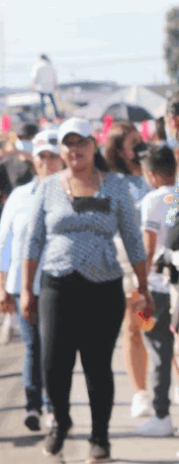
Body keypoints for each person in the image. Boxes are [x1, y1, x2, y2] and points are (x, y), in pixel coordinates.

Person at [22, 118, 150, 463]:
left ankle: (100, 437)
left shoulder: (116, 186)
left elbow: (133, 239)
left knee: (97, 365)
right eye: (69, 144)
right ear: (61, 150)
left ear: (95, 146)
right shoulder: (48, 187)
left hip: (103, 285)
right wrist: (26, 290)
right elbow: (33, 241)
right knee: (53, 364)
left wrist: (143, 284)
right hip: (57, 284)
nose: (75, 150)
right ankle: (60, 423)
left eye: (82, 143)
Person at [0, 129, 64, 432]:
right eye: (42, 157)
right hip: (23, 288)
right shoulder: (20, 196)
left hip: (60, 287)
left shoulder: (73, 193)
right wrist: (0, 286)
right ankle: (33, 405)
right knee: (33, 346)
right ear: (34, 161)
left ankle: (55, 407)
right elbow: (4, 243)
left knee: (56, 348)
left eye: (52, 156)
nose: (47, 162)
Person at [103, 122, 153, 418]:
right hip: (131, 265)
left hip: (163, 263)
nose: (141, 145)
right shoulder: (115, 183)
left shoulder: (158, 173)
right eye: (134, 142)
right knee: (135, 327)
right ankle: (140, 392)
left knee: (168, 329)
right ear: (120, 150)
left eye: (141, 139)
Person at [132, 145, 177, 436]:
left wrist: (141, 283)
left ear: (151, 174)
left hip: (159, 286)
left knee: (160, 348)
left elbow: (148, 247)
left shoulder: (152, 200)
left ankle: (162, 415)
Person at [31, 54, 60, 119]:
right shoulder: (50, 65)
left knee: (43, 103)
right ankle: (57, 115)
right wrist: (55, 86)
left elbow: (35, 77)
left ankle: (44, 116)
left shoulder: (37, 65)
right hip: (50, 87)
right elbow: (55, 77)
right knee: (53, 103)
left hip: (41, 88)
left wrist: (33, 85)